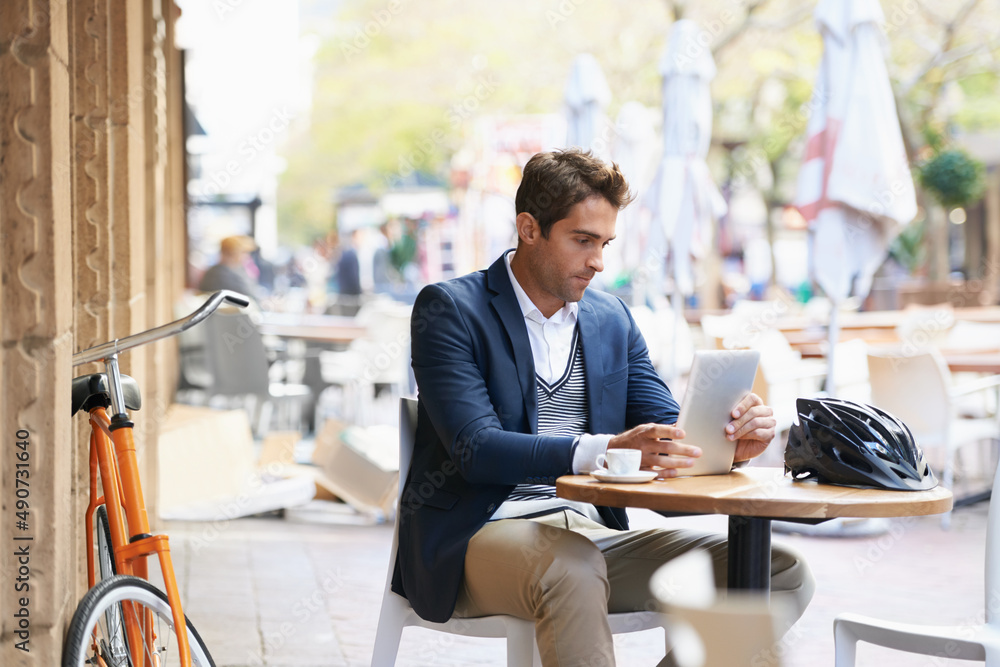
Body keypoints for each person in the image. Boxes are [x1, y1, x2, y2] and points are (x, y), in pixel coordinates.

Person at [392, 149, 814, 667]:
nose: (598, 261)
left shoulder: (610, 318)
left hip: (592, 535)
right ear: (529, 229)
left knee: (775, 571)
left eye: (605, 243)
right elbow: (475, 450)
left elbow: (669, 438)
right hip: (478, 538)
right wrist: (602, 450)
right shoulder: (452, 310)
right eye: (583, 240)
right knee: (569, 565)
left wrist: (733, 442)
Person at [198, 235, 259, 301]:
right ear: (232, 253)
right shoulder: (218, 274)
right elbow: (247, 295)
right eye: (243, 252)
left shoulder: (238, 269)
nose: (247, 256)